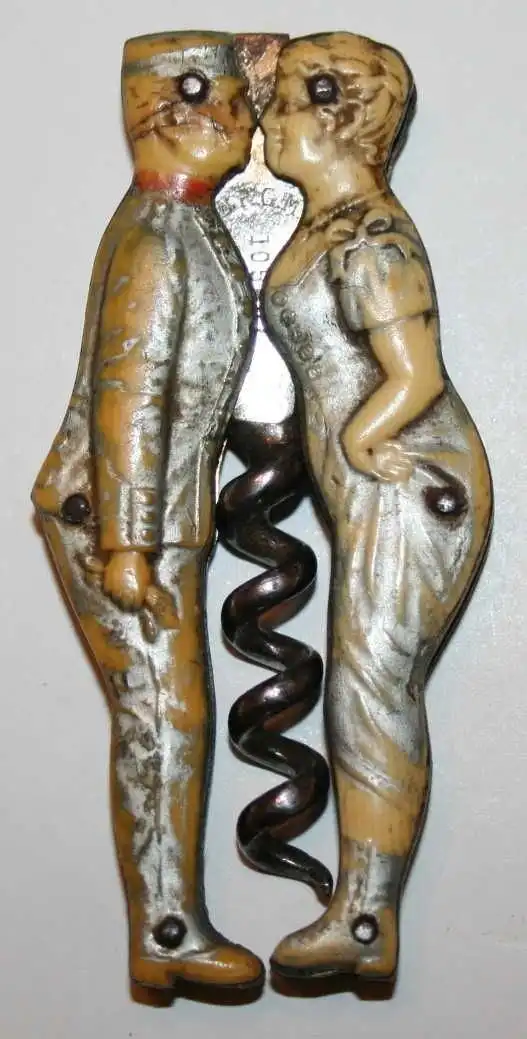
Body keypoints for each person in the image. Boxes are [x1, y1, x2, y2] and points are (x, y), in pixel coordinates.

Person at [32, 31, 263, 991]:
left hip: (156, 516)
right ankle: (166, 933)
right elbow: (129, 396)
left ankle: (169, 925)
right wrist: (127, 547)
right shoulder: (160, 236)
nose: (246, 129)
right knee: (165, 718)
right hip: (126, 520)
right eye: (233, 109)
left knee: (174, 714)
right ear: (171, 119)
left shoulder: (180, 218)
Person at [262, 31, 492, 981]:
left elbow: (414, 373)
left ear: (337, 119)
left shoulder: (372, 236)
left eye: (281, 103)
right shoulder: (332, 221)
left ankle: (364, 920)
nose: (268, 123)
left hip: (408, 478)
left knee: (370, 689)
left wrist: (359, 441)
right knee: (365, 685)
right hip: (374, 483)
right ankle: (362, 911)